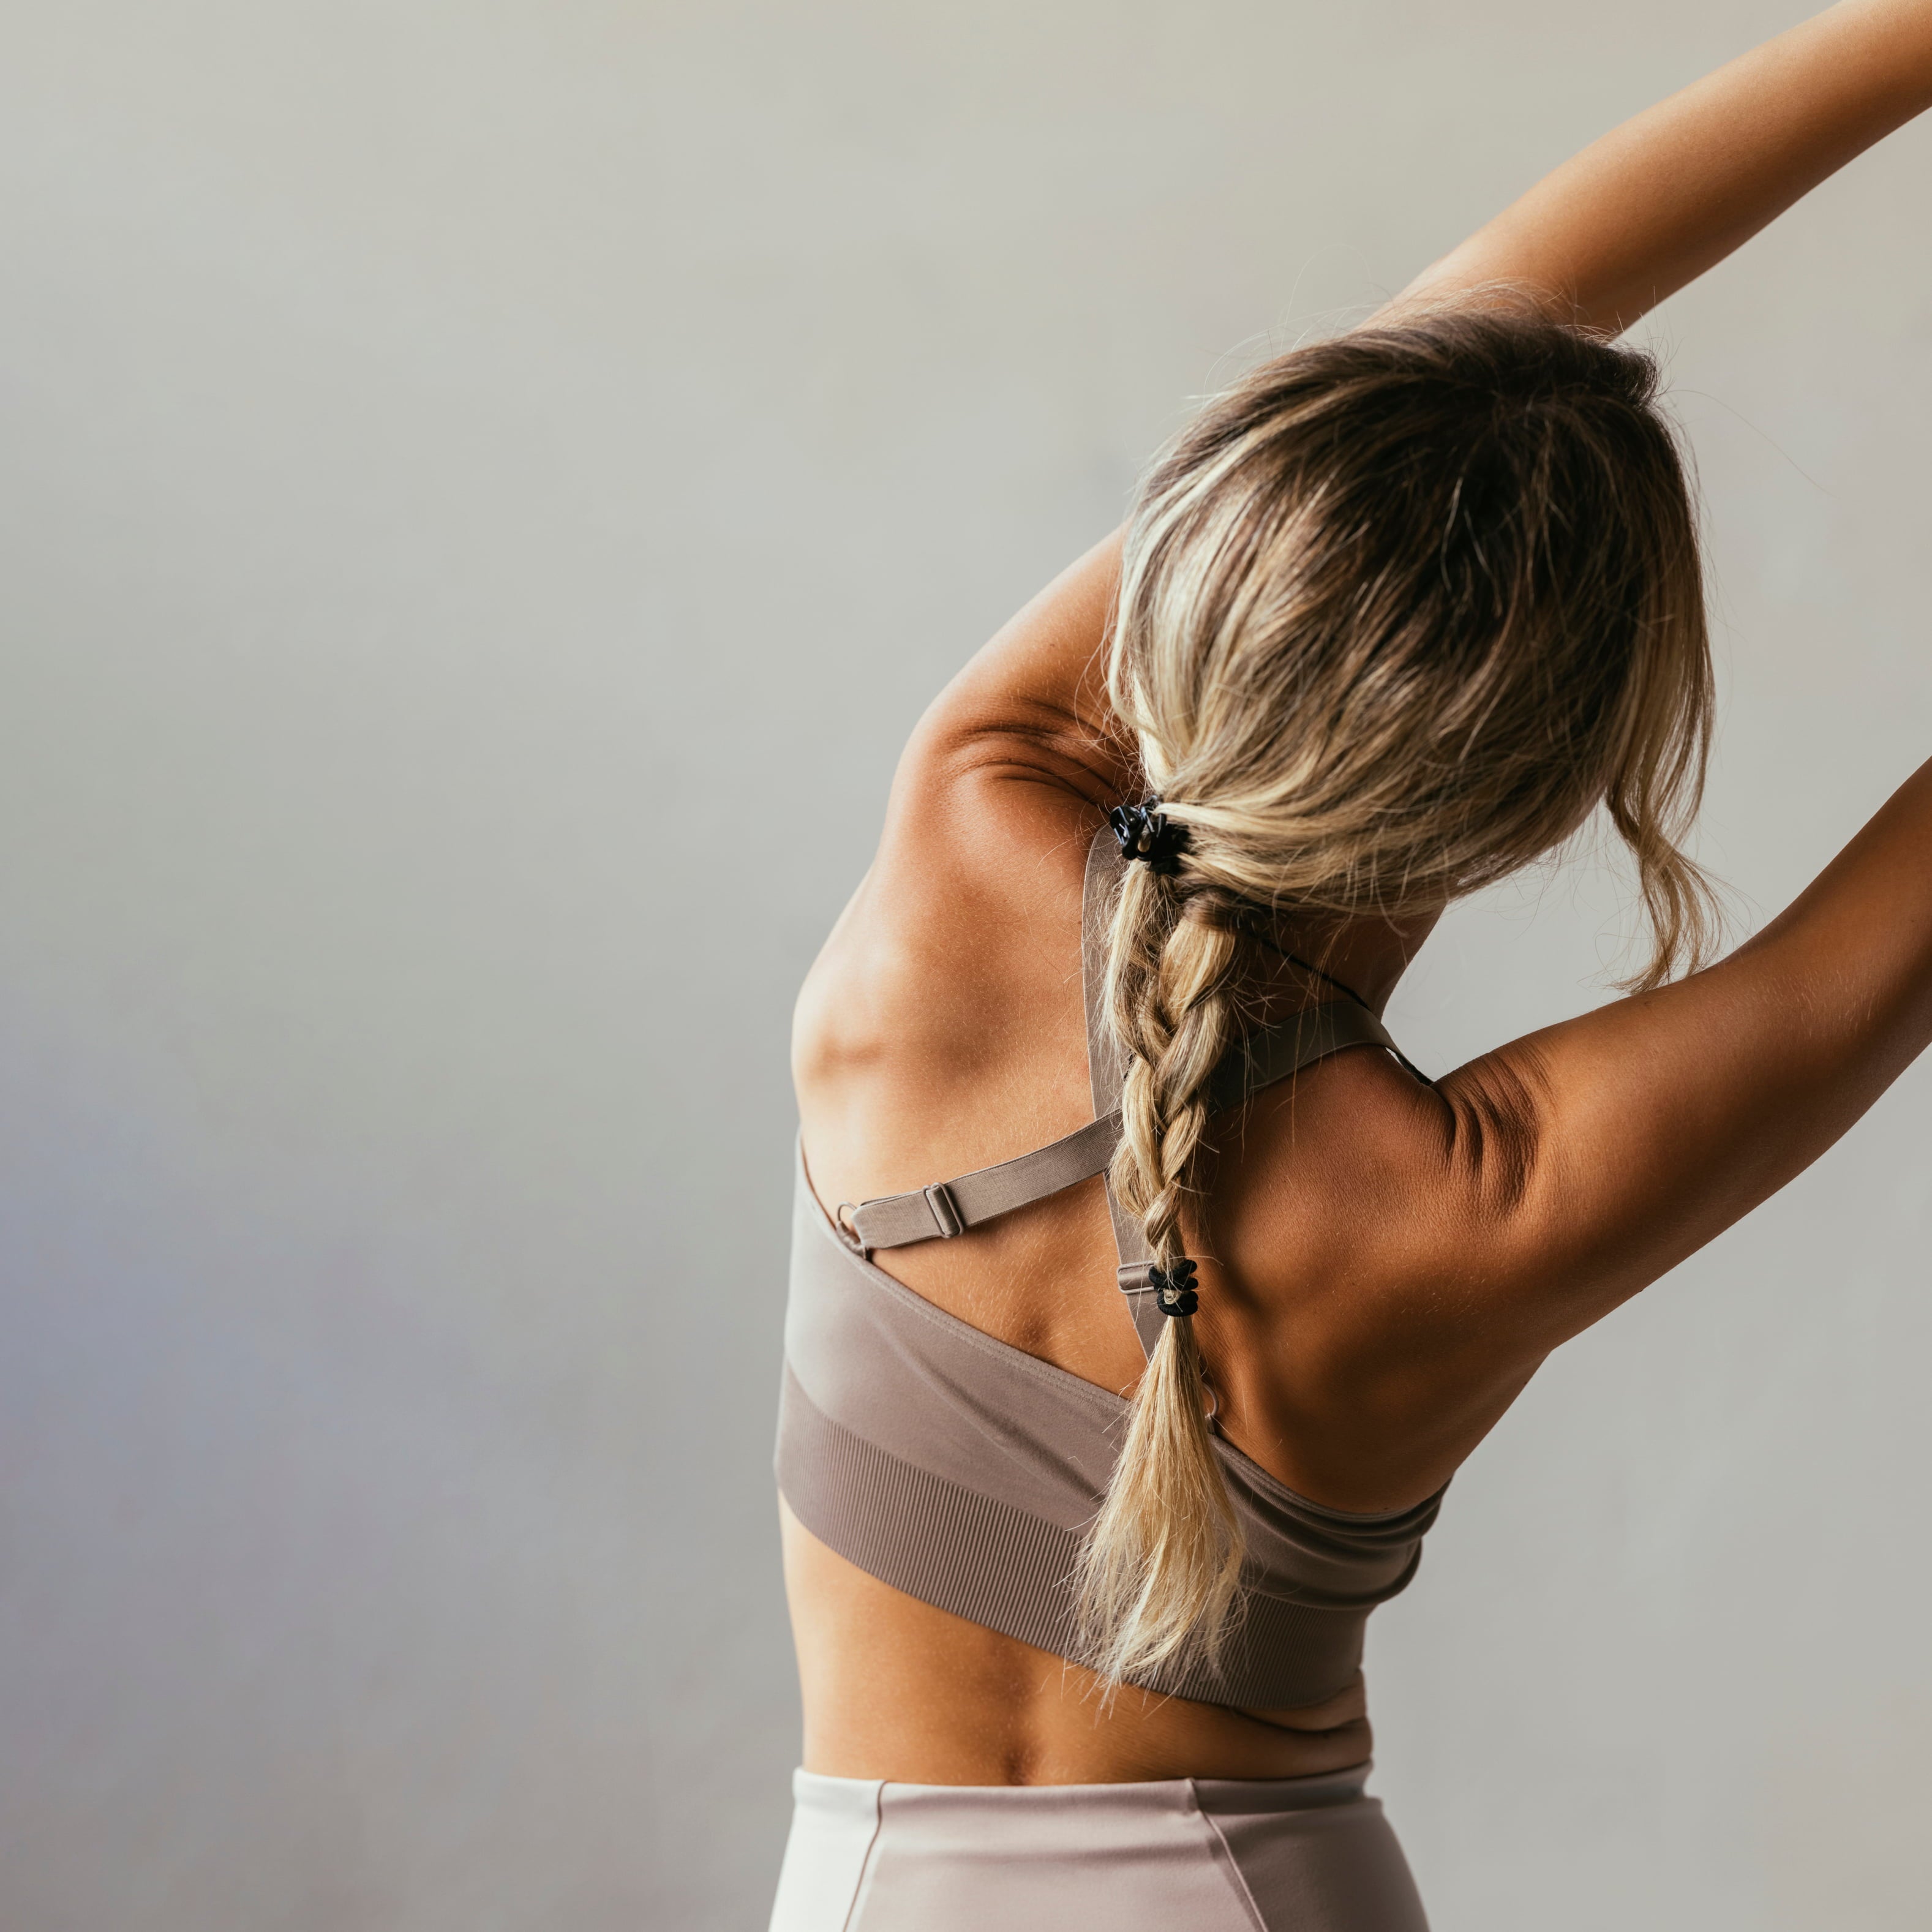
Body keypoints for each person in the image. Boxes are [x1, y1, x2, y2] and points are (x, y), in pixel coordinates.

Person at [770, 6, 1932, 1926]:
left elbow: (1466, 309)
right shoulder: (1478, 1208)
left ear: (1218, 563)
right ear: (1550, 803)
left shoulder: (953, 843)